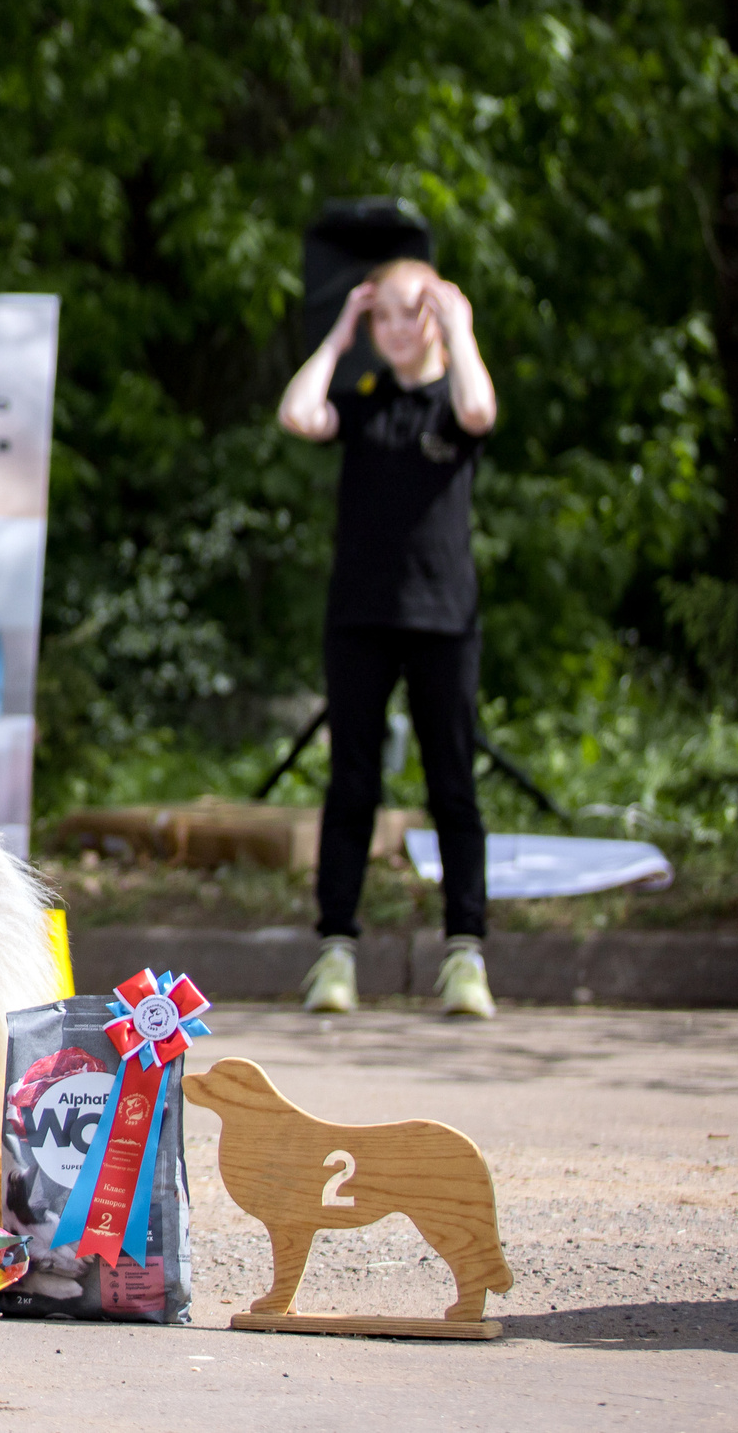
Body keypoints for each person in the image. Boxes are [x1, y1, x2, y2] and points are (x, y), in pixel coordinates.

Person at [275, 258, 499, 1019]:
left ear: (437, 316)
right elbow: (300, 415)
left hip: (444, 618)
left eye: (415, 313)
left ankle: (465, 953)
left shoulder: (451, 399)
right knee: (352, 787)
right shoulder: (363, 399)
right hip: (361, 617)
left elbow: (479, 412)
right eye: (386, 317)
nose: (400, 330)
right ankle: (335, 952)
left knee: (453, 786)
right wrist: (339, 334)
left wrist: (461, 328)